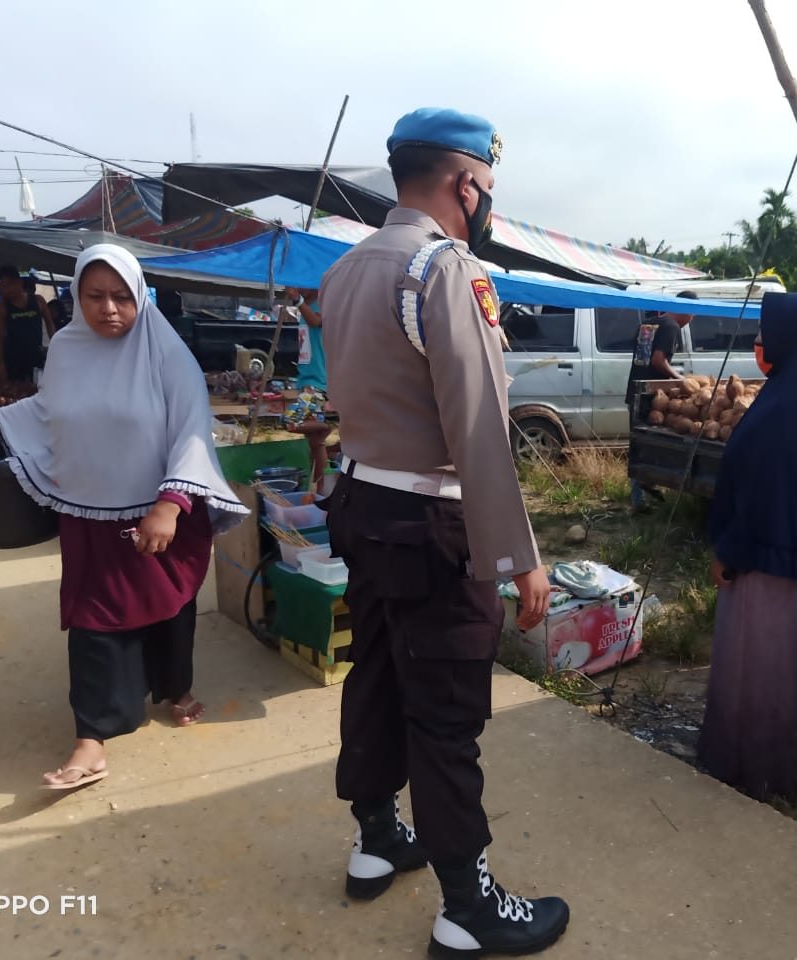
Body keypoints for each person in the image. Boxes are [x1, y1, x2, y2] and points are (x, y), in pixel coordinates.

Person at [318, 108, 569, 957]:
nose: (487, 204)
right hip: (432, 523)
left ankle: (375, 836)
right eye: (487, 188)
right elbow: (480, 429)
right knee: (447, 714)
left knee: (379, 675)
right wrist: (520, 559)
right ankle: (469, 904)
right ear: (465, 183)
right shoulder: (444, 269)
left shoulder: (348, 268)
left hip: (363, 506)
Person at [0, 245, 247, 790]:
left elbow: (192, 429)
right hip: (89, 514)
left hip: (160, 514)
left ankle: (175, 688)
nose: (109, 309)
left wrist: (169, 506)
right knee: (94, 623)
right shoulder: (67, 350)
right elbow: (45, 410)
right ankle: (92, 741)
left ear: (140, 297)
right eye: (95, 296)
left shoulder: (165, 353)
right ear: (77, 297)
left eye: (122, 297)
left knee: (169, 609)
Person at [698, 292, 797, 803]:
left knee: (759, 670)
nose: (762, 343)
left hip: (768, 561)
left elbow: (763, 493)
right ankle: (780, 767)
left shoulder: (787, 410)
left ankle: (756, 774)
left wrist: (729, 551)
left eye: (769, 332)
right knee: (786, 668)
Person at [626, 290, 696, 512]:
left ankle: (639, 499)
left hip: (635, 390)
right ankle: (646, 486)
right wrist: (679, 379)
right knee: (654, 443)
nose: (691, 320)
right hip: (652, 397)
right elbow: (658, 360)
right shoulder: (671, 327)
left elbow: (640, 357)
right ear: (688, 311)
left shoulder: (648, 324)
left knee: (639, 444)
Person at [281, 286, 333, 486]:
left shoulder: (322, 304)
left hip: (317, 382)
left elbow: (316, 321)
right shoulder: (307, 306)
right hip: (306, 381)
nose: (294, 286)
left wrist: (297, 299)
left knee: (290, 420)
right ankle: (321, 491)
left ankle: (325, 428)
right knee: (314, 443)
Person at [0, 265, 55, 383]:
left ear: (19, 282)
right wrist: (0, 364)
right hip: (13, 360)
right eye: (2, 286)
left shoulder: (38, 301)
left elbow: (50, 326)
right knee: (16, 392)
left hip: (36, 357)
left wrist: (57, 349)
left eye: (9, 285)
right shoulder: (2, 307)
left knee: (37, 389)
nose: (6, 290)